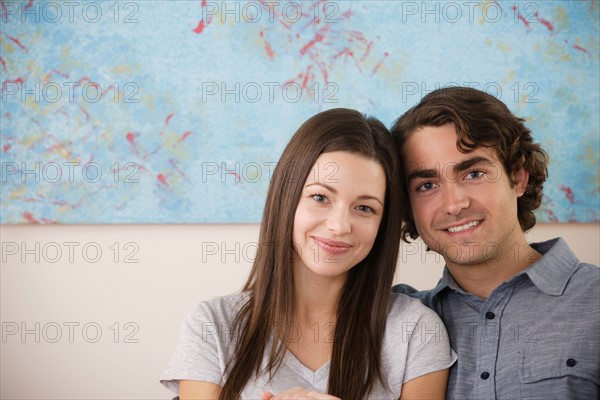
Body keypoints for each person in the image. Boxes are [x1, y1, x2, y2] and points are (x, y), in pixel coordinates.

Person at [161, 108, 456, 400]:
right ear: (286, 197)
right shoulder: (212, 326)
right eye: (320, 197)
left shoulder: (415, 331)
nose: (339, 225)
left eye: (364, 208)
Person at [391, 86, 600, 399]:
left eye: (473, 174)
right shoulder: (399, 320)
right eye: (428, 184)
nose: (454, 204)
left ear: (518, 177)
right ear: (408, 205)